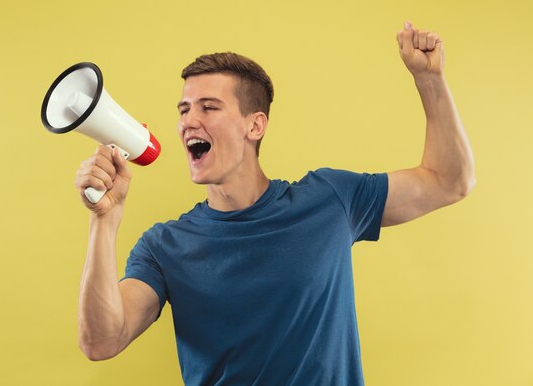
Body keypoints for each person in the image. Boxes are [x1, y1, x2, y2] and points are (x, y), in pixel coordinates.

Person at [73, 21, 475, 386]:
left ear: (255, 124)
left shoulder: (330, 199)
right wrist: (104, 221)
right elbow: (102, 341)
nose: (187, 121)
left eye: (208, 107)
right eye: (184, 109)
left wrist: (430, 78)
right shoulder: (164, 246)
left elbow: (449, 181)